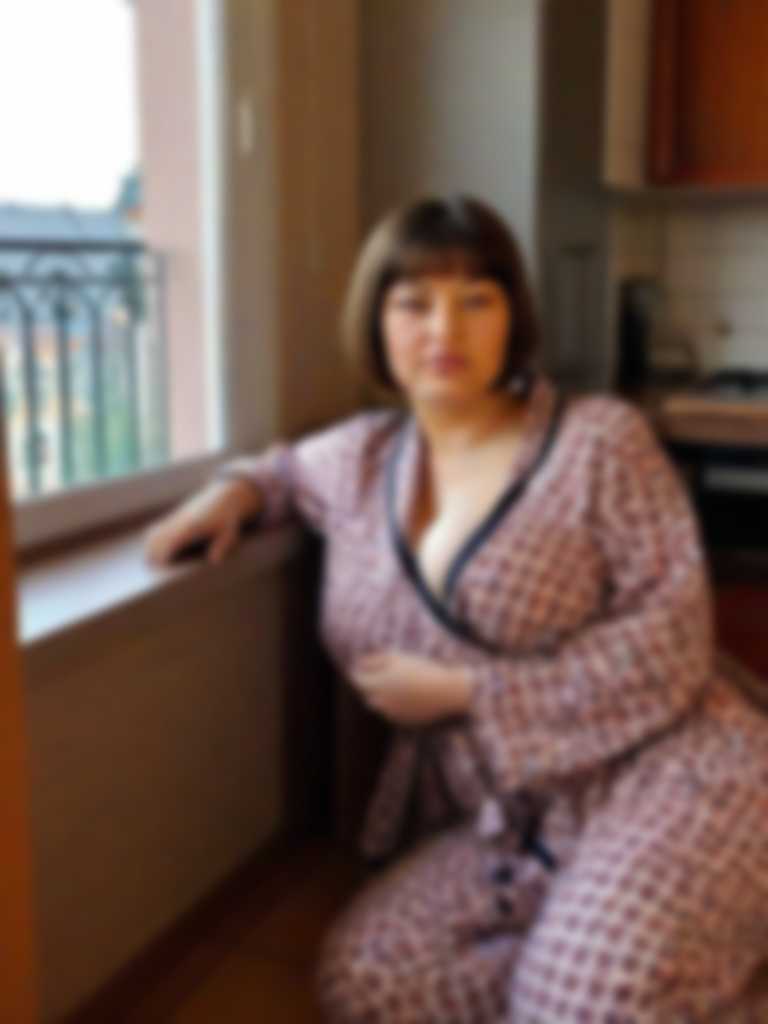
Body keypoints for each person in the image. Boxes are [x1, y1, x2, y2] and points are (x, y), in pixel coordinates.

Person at [144, 196, 768, 1022]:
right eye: (414, 302)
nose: (446, 329)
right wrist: (230, 491)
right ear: (377, 322)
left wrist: (471, 694)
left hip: (670, 771)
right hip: (511, 817)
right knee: (370, 981)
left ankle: (616, 967)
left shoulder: (599, 441)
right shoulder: (363, 457)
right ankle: (618, 958)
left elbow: (675, 637)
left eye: (477, 299)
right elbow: (281, 472)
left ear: (514, 317)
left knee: (579, 1001)